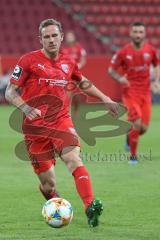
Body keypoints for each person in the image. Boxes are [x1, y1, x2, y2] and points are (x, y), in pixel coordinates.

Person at [5, 19, 120, 227]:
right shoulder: (28, 61)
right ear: (40, 39)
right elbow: (10, 92)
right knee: (48, 185)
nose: (51, 40)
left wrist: (105, 98)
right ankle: (53, 201)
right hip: (35, 128)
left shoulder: (68, 62)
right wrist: (26, 108)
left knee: (73, 159)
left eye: (54, 36)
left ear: (61, 37)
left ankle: (90, 206)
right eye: (46, 36)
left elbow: (83, 82)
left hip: (60, 121)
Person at [108, 22, 160, 164]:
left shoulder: (151, 50)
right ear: (130, 34)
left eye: (140, 32)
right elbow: (111, 70)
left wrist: (156, 81)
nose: (138, 35)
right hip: (130, 93)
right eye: (135, 32)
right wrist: (120, 78)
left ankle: (128, 136)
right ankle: (133, 156)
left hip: (146, 93)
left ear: (144, 34)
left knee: (143, 128)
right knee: (136, 124)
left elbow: (156, 64)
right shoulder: (123, 52)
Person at [62, 30, 87, 116]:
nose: (69, 38)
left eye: (70, 36)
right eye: (68, 36)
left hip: (76, 75)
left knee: (76, 95)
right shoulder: (63, 49)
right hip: (67, 75)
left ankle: (75, 109)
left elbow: (83, 59)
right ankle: (66, 112)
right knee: (67, 94)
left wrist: (79, 65)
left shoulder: (79, 48)